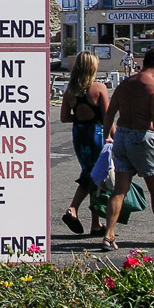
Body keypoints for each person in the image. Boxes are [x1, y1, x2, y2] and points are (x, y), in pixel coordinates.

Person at [101, 46, 154, 251]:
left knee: (119, 189)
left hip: (121, 135)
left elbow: (110, 112)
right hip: (142, 137)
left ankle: (108, 235)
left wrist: (107, 135)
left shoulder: (125, 84)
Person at [59, 51, 111, 236]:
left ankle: (96, 224)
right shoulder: (99, 88)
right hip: (95, 133)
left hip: (79, 133)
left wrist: (80, 116)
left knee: (91, 173)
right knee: (94, 174)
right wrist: (113, 137)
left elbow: (64, 117)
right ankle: (73, 208)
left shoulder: (70, 92)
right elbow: (107, 118)